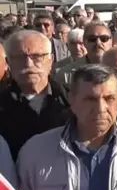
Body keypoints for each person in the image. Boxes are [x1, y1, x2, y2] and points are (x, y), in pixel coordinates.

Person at [0, 30, 70, 160]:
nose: (28, 64)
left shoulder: (72, 100)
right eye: (19, 58)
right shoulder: (3, 104)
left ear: (51, 61)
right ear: (8, 62)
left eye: (37, 57)